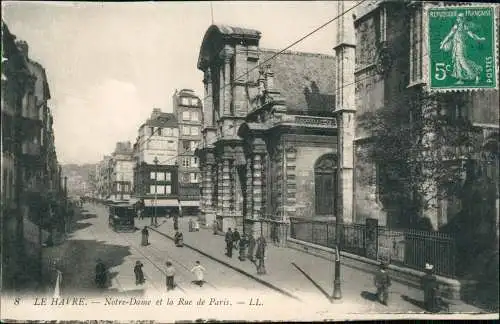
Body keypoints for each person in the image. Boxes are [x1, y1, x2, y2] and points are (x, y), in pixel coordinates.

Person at [439, 12, 486, 85]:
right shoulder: (456, 26)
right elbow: (449, 35)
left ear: (463, 19)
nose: (459, 19)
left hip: (461, 46)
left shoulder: (465, 26)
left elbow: (471, 35)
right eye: (458, 18)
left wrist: (479, 39)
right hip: (455, 46)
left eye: (461, 18)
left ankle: (475, 75)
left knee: (463, 61)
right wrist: (443, 43)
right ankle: (460, 79)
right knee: (457, 61)